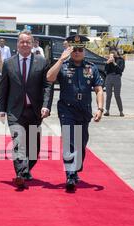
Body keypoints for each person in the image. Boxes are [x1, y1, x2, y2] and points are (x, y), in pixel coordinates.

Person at [46, 35, 105, 191]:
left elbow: (99, 89)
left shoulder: (91, 68)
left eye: (80, 49)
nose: (77, 52)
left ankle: (75, 169)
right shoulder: (63, 65)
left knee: (81, 143)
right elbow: (49, 77)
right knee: (69, 142)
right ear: (70, 50)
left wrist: (100, 108)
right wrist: (60, 60)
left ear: (84, 50)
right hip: (67, 109)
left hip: (84, 109)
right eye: (74, 49)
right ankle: (70, 175)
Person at [0, 30, 52, 190]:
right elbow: (3, 88)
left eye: (28, 42)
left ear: (33, 43)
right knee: (18, 142)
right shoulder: (9, 63)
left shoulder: (42, 62)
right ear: (17, 44)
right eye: (22, 41)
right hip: (15, 111)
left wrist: (46, 105)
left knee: (33, 149)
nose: (25, 44)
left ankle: (26, 168)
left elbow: (48, 86)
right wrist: (2, 109)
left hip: (35, 111)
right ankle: (20, 174)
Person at [104, 48, 125, 117]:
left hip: (117, 77)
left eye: (114, 52)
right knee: (108, 95)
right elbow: (105, 70)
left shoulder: (121, 60)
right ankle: (107, 110)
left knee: (117, 95)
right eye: (111, 52)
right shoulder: (108, 60)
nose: (112, 53)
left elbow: (120, 70)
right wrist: (108, 62)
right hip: (109, 77)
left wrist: (114, 63)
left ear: (116, 52)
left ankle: (121, 111)